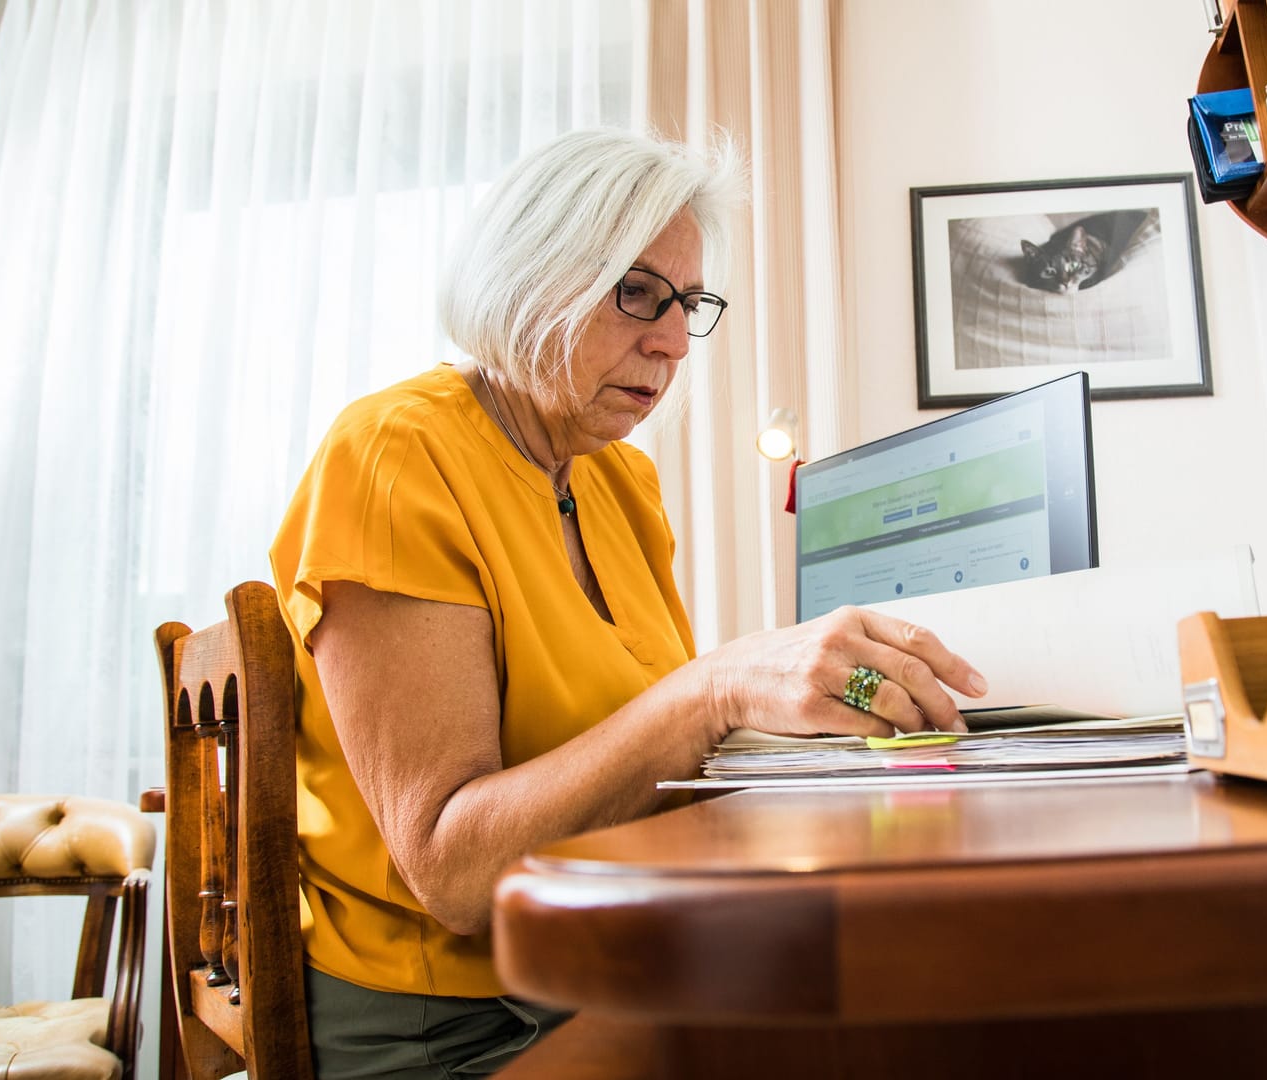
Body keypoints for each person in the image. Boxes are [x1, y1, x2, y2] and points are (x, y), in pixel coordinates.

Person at [268, 128, 988, 1077]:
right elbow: (451, 870)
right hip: (450, 1019)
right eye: (638, 293)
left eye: (688, 305)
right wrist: (718, 688)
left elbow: (652, 760)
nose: (673, 341)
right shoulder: (395, 453)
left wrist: (795, 721)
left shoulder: (620, 483)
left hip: (600, 961)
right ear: (530, 278)